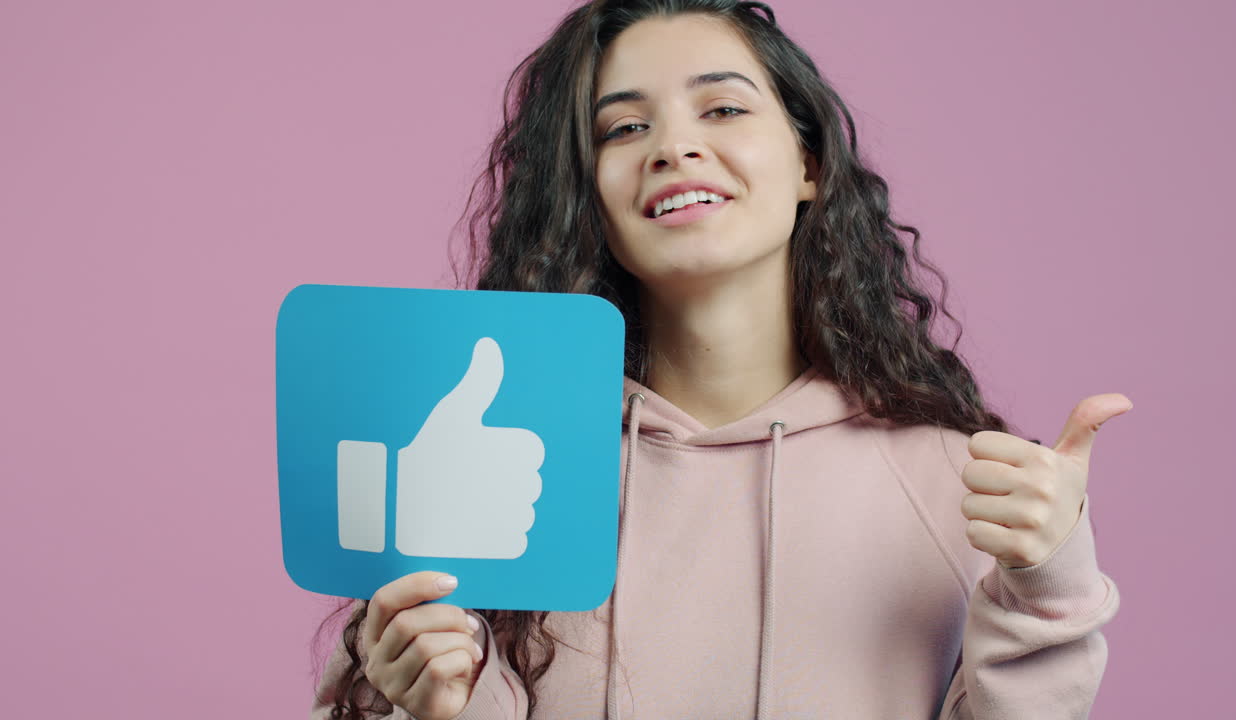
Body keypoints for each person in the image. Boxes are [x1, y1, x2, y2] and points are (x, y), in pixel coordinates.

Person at [310, 1, 1128, 718]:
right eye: (625, 128)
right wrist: (434, 711)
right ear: (584, 192)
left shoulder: (959, 484)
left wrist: (1048, 585)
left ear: (810, 164)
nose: (674, 147)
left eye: (724, 109)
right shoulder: (497, 465)